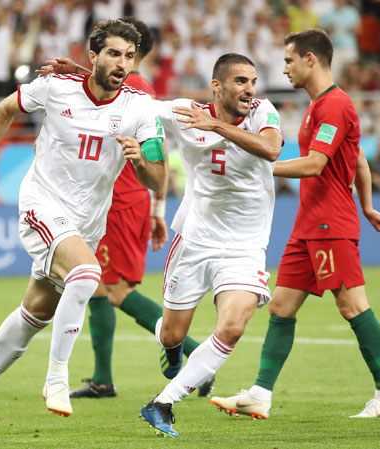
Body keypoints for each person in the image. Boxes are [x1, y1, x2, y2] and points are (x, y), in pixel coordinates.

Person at [0, 19, 166, 438]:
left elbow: (158, 178)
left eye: (128, 56)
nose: (122, 63)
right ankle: (57, 377)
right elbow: (4, 110)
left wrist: (139, 160)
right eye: (113, 53)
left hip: (87, 222)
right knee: (89, 275)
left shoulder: (140, 107)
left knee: (36, 311)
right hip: (43, 203)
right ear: (93, 57)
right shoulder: (56, 87)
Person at [210, 29, 380, 420]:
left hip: (329, 223)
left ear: (310, 59)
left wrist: (262, 172)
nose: (284, 69)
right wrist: (367, 206)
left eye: (288, 60)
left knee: (352, 306)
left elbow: (316, 164)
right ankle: (260, 394)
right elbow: (359, 159)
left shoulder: (334, 105)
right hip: (308, 224)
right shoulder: (319, 105)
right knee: (281, 307)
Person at [45, 17, 212, 401]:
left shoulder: (132, 88)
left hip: (121, 202)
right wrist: (156, 209)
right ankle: (103, 380)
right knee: (97, 288)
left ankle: (200, 360)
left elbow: (157, 153)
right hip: (122, 201)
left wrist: (155, 206)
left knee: (115, 289)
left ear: (134, 53)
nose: (117, 60)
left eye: (123, 51)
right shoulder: (135, 85)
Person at [139, 53, 283, 438]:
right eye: (239, 81)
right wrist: (84, 77)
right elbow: (133, 100)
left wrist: (216, 125)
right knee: (172, 334)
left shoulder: (262, 112)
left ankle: (162, 403)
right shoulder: (186, 113)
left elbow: (271, 150)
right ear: (216, 86)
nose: (249, 89)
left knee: (233, 326)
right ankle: (171, 351)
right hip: (195, 241)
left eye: (252, 81)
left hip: (245, 247)